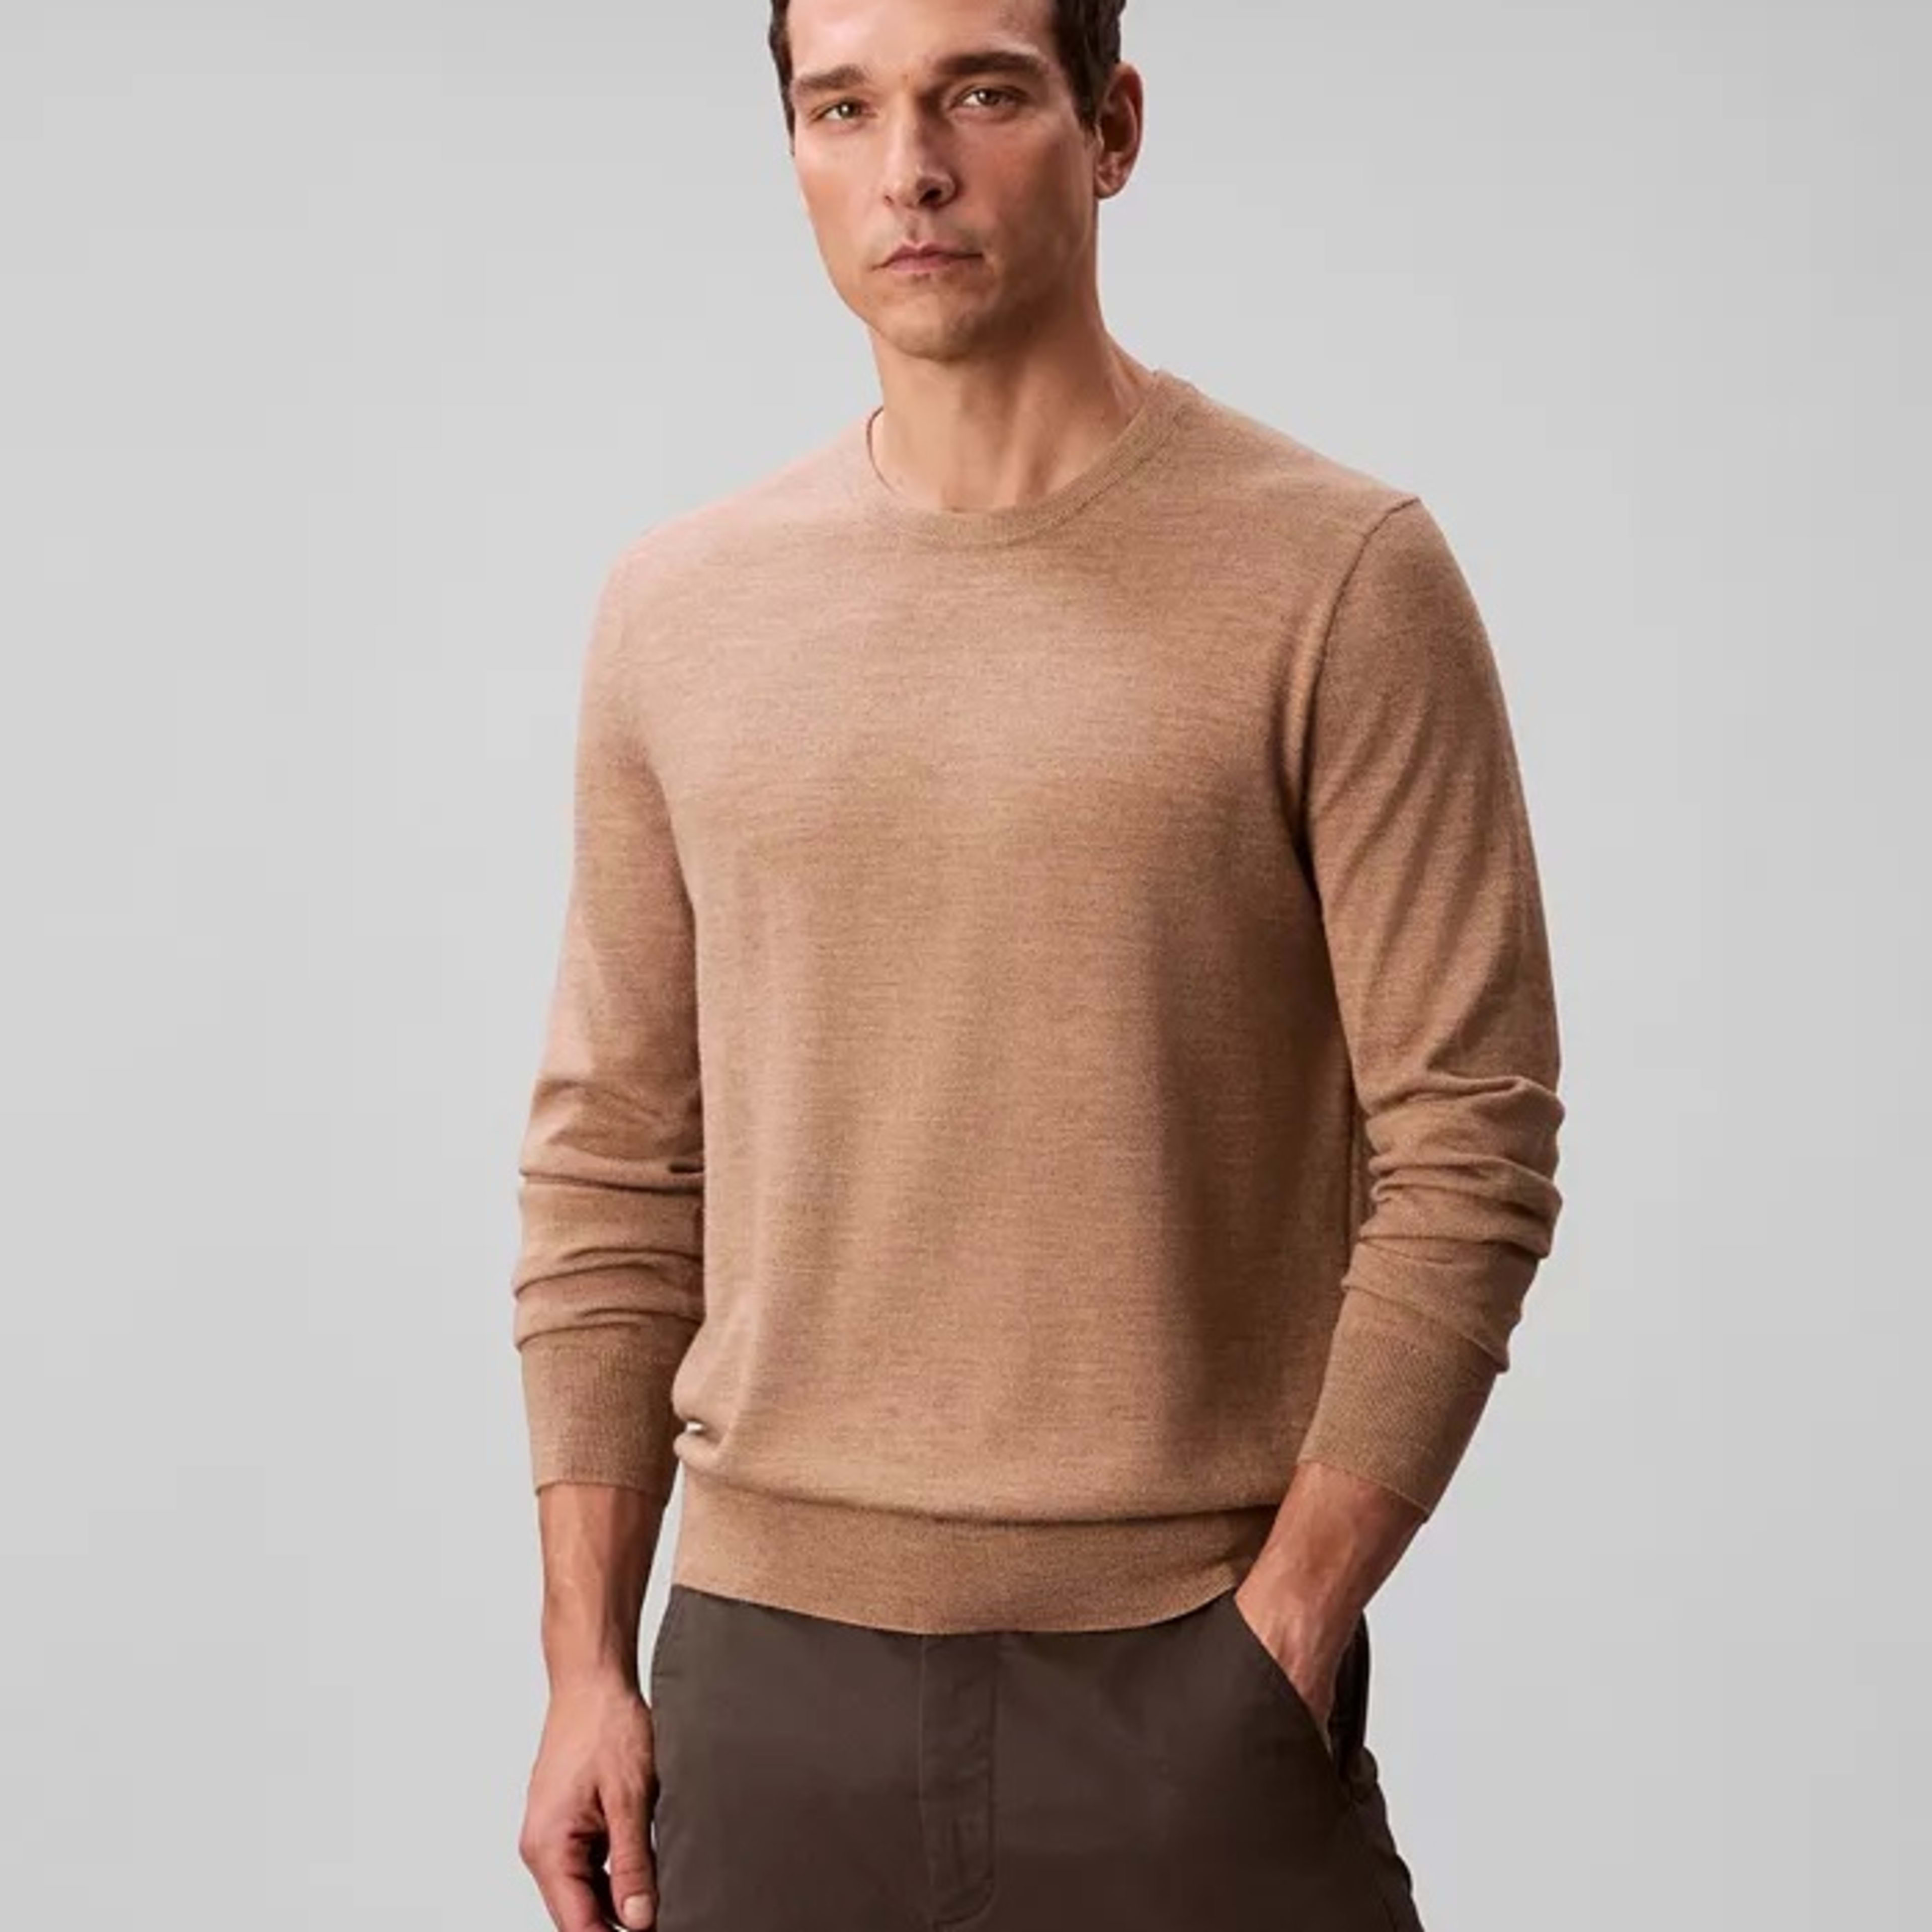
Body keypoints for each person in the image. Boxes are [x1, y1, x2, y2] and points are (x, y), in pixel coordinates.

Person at [509, 3, 1565, 1927]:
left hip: (1188, 1676)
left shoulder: (1339, 576)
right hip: (764, 1688)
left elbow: (1471, 1143)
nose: (909, 167)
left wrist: (1292, 1618)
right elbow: (617, 1165)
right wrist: (586, 1664)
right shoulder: (680, 610)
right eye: (844, 107)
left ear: (1114, 126)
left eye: (981, 92)